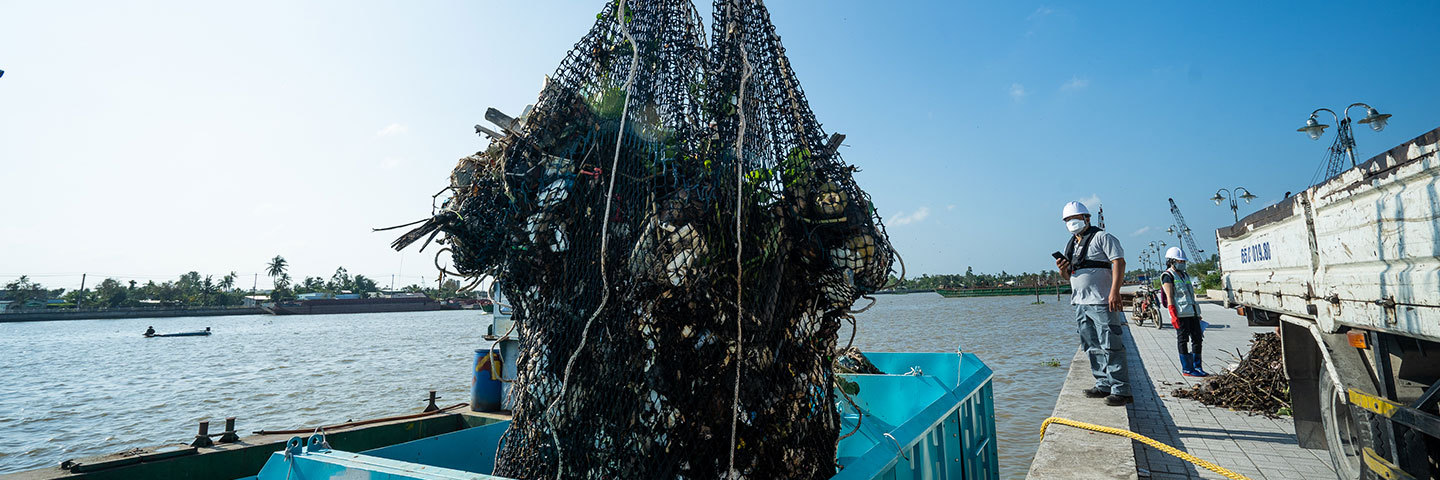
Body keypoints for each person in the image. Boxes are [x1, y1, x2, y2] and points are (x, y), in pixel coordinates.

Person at [1055, 201, 1131, 406]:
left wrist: (1114, 292)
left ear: (1087, 218)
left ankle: (1121, 389)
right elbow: (1068, 276)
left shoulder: (1102, 237)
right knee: (1091, 345)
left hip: (1102, 300)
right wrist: (1062, 269)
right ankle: (1103, 383)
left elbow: (1119, 262)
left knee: (1111, 344)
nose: (1072, 222)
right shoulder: (1071, 244)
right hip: (1079, 302)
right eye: (1068, 220)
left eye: (1075, 218)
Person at [1161, 247, 1208, 376]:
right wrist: (1173, 315)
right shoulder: (1168, 276)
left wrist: (1197, 314)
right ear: (1171, 261)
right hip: (1180, 314)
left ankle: (1197, 366)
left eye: (1183, 261)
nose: (1182, 263)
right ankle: (1187, 368)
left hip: (1192, 312)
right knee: (1183, 340)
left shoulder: (1185, 275)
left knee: (1197, 339)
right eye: (1179, 261)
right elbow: (1170, 297)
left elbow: (1190, 295)